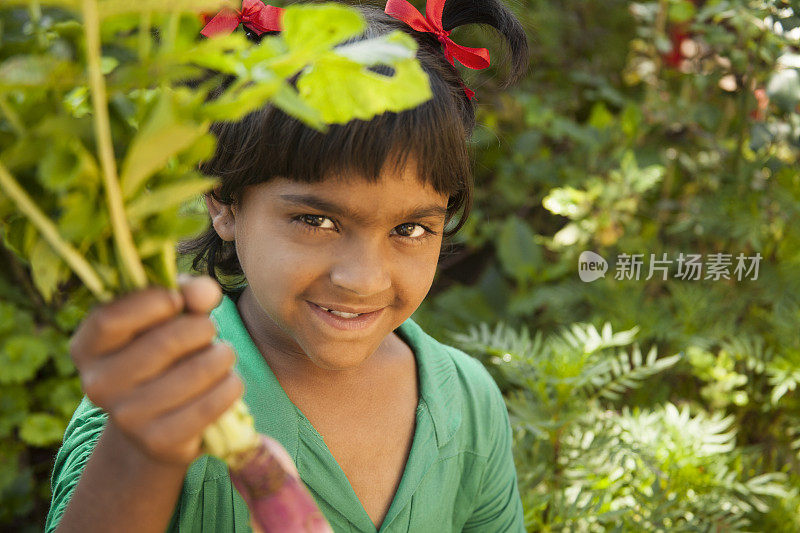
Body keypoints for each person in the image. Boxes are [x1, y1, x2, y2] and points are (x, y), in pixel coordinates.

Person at [45, 0, 529, 531]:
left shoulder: (468, 402)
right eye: (317, 221)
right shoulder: (154, 402)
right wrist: (142, 450)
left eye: (409, 229)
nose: (362, 278)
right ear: (223, 202)